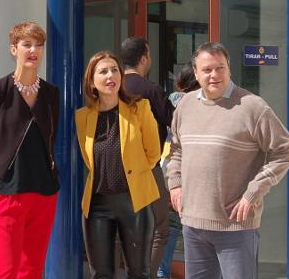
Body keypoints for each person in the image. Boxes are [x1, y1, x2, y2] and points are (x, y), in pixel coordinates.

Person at [167, 42, 289, 279]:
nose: (214, 75)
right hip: (193, 223)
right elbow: (176, 148)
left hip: (235, 226)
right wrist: (175, 183)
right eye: (207, 70)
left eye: (220, 68)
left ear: (229, 69)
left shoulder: (252, 107)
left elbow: (286, 150)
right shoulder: (185, 105)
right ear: (196, 73)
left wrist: (253, 193)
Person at [0, 22, 60, 279]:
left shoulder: (51, 94)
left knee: (33, 269)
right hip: (8, 195)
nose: (34, 50)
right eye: (27, 44)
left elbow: (52, 139)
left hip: (44, 193)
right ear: (14, 49)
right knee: (7, 271)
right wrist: (1, 175)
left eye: (39, 45)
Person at [75, 51, 161, 279]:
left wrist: (136, 174)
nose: (110, 75)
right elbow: (88, 160)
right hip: (97, 205)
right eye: (103, 71)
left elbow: (153, 153)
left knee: (138, 272)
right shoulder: (82, 117)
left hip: (134, 202)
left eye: (114, 70)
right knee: (100, 274)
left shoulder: (140, 108)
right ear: (92, 82)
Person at [121, 37, 174, 279]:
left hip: (114, 169)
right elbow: (175, 123)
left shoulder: (110, 86)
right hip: (146, 169)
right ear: (144, 58)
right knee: (159, 229)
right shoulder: (151, 90)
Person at [156, 63, 200, 279]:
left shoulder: (171, 101)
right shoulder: (204, 103)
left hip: (169, 168)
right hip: (195, 173)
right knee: (197, 232)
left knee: (169, 228)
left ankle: (162, 272)